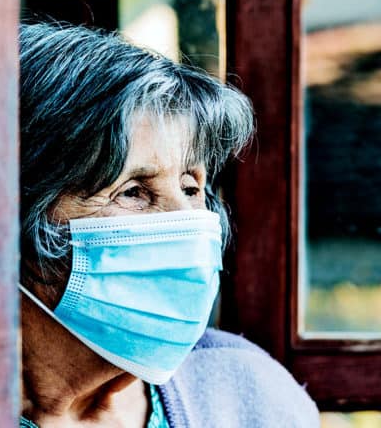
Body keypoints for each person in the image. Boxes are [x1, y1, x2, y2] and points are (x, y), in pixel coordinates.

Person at [18, 23, 319, 427]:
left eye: (191, 188)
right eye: (133, 192)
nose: (188, 222)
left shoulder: (249, 396)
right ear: (12, 219)